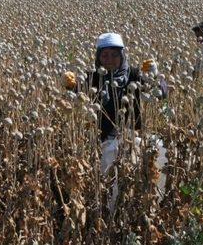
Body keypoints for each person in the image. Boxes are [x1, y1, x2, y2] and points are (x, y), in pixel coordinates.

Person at [64, 32, 168, 210]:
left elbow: (162, 94)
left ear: (122, 55)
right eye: (104, 55)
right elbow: (74, 98)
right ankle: (111, 209)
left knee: (158, 150)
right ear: (98, 57)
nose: (109, 60)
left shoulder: (135, 75)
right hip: (104, 138)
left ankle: (152, 203)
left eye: (114, 55)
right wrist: (69, 86)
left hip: (136, 135)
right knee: (112, 161)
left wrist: (155, 76)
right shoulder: (92, 78)